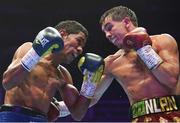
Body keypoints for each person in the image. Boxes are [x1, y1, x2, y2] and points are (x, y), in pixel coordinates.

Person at [1, 20, 104, 122]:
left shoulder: (63, 75)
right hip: (14, 116)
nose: (80, 49)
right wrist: (35, 54)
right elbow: (7, 83)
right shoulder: (28, 49)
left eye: (82, 46)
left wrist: (90, 83)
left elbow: (78, 114)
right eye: (79, 41)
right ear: (62, 34)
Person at [91, 5, 179, 122]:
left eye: (109, 27)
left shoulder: (163, 41)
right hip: (139, 118)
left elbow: (171, 80)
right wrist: (60, 107)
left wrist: (144, 50)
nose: (107, 35)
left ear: (126, 22)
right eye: (105, 32)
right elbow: (91, 98)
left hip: (174, 114)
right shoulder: (111, 62)